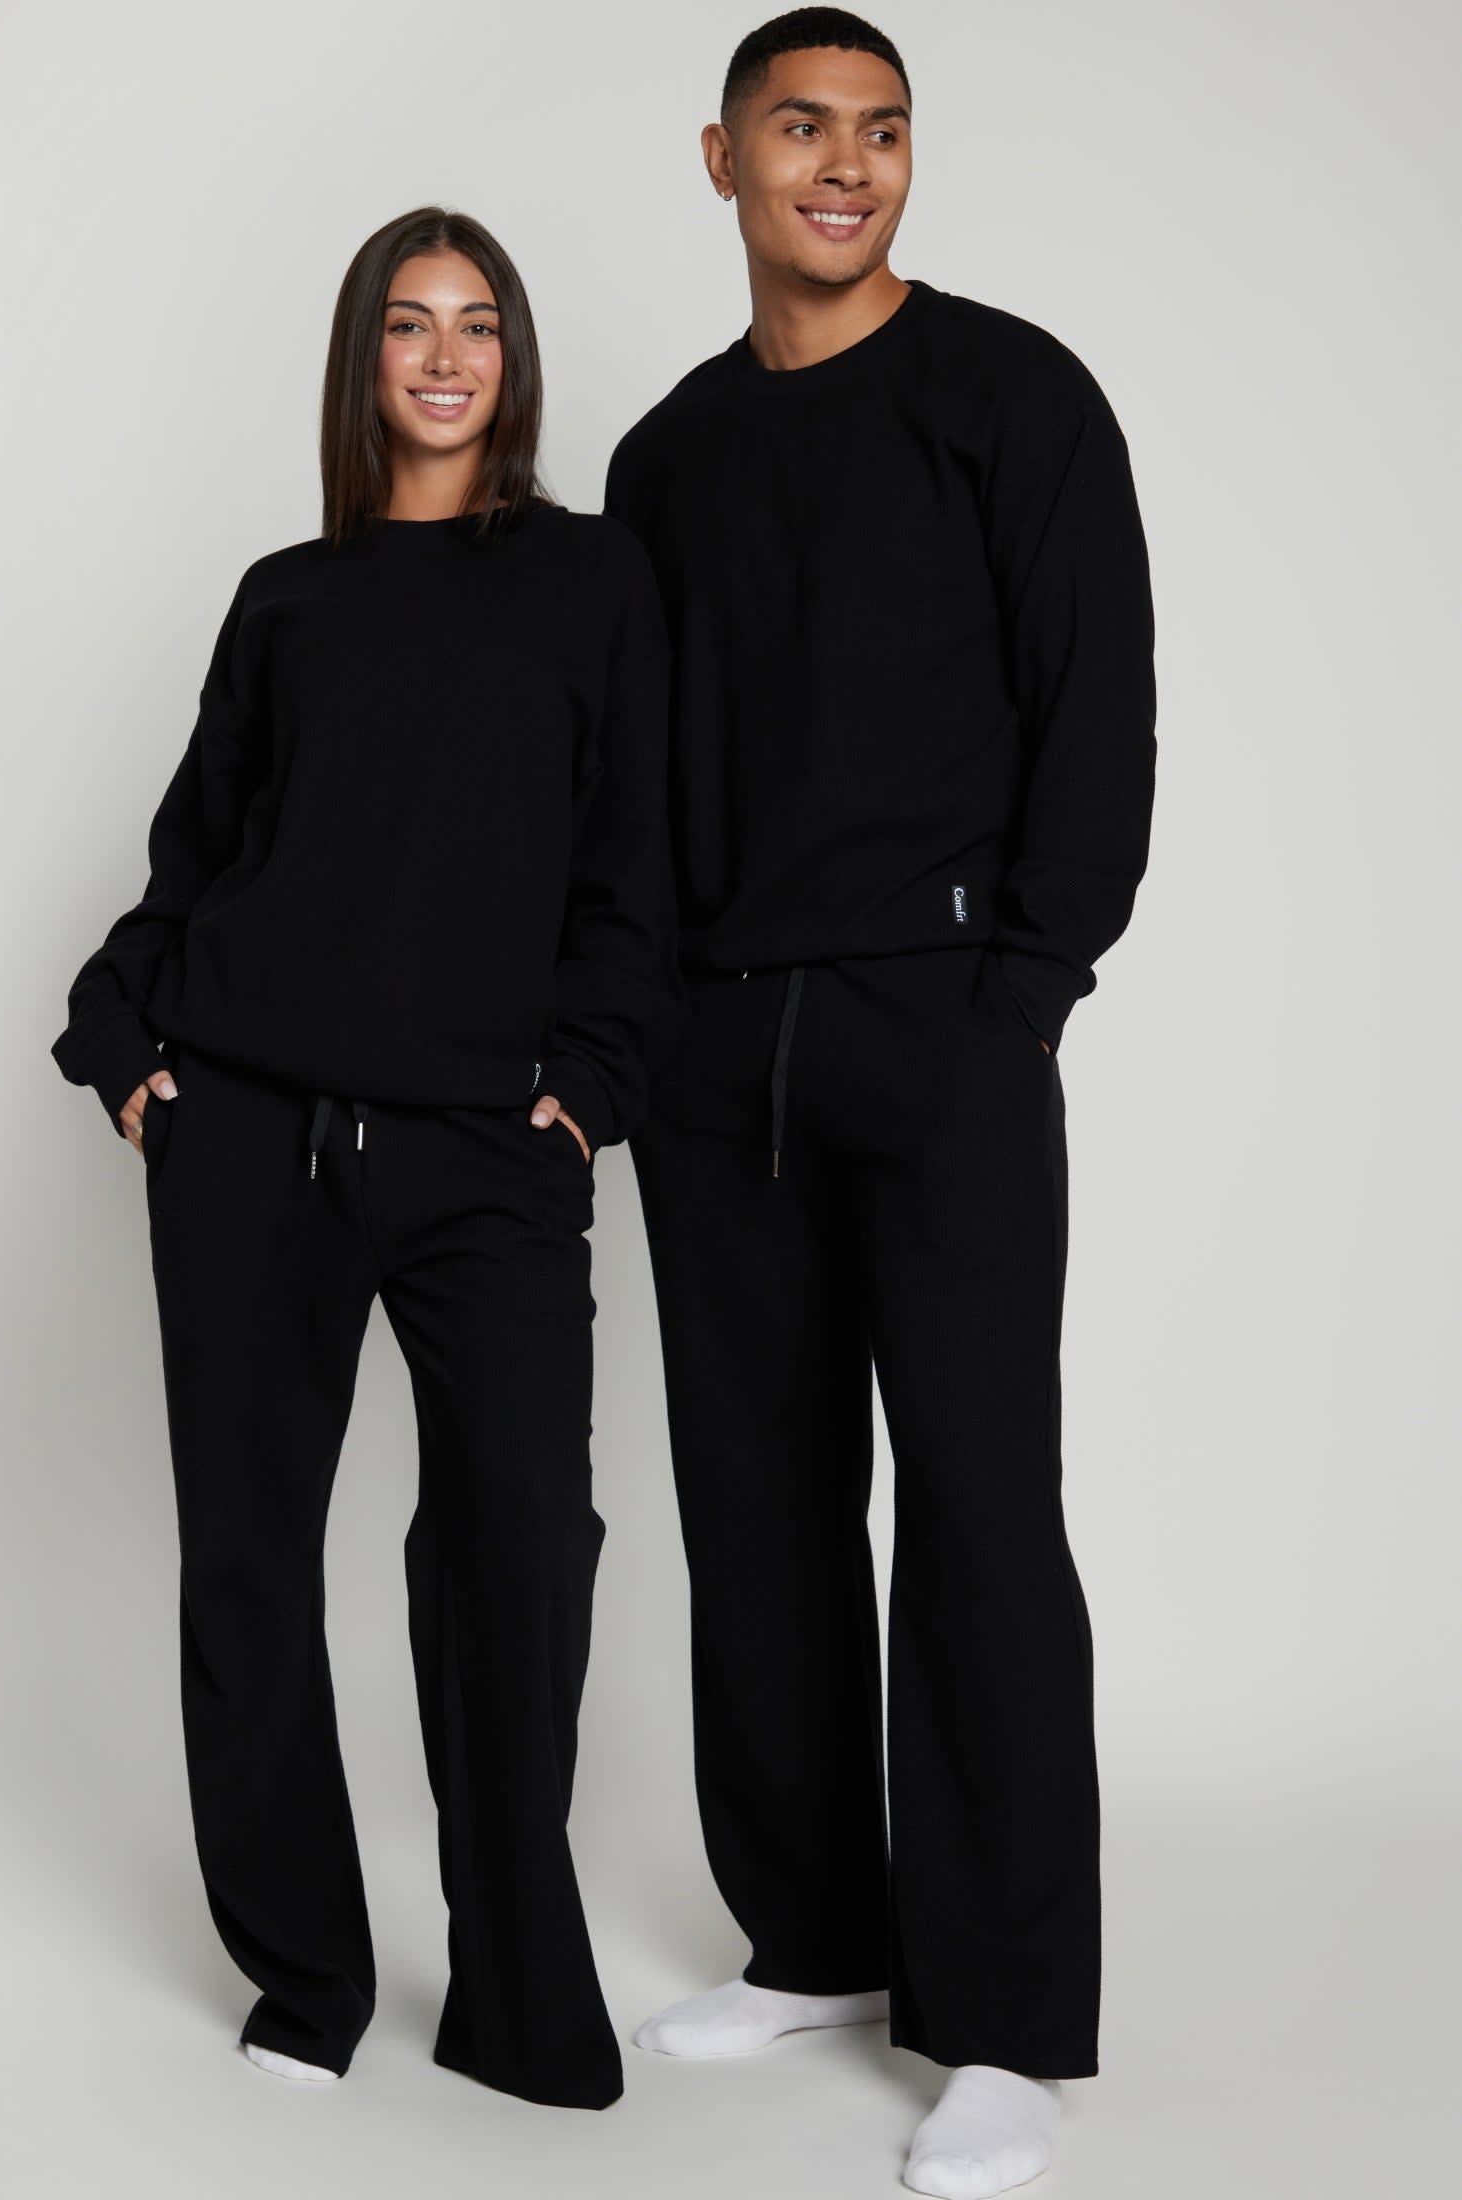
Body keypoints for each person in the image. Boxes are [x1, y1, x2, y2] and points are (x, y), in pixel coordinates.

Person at [602, 11, 1156, 2193]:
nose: (845, 165)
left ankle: (1002, 2023)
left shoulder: (1011, 395)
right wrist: (635, 1027)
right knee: (755, 1507)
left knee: (981, 1515)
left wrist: (1017, 996)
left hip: (942, 1034)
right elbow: (630, 777)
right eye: (802, 128)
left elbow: (1096, 704)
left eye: (882, 132)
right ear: (721, 156)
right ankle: (819, 1936)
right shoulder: (666, 459)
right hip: (713, 1052)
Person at [50, 205, 680, 2112]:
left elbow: (634, 868)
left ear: (513, 360)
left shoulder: (593, 580)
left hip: (489, 1150)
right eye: (408, 324)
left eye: (477, 323)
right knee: (248, 1563)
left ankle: (518, 1986)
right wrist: (126, 1052)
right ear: (363, 360)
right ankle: (307, 1972)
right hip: (249, 1135)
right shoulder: (288, 598)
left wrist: (586, 1086)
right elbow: (197, 858)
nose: (444, 355)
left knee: (521, 1552)